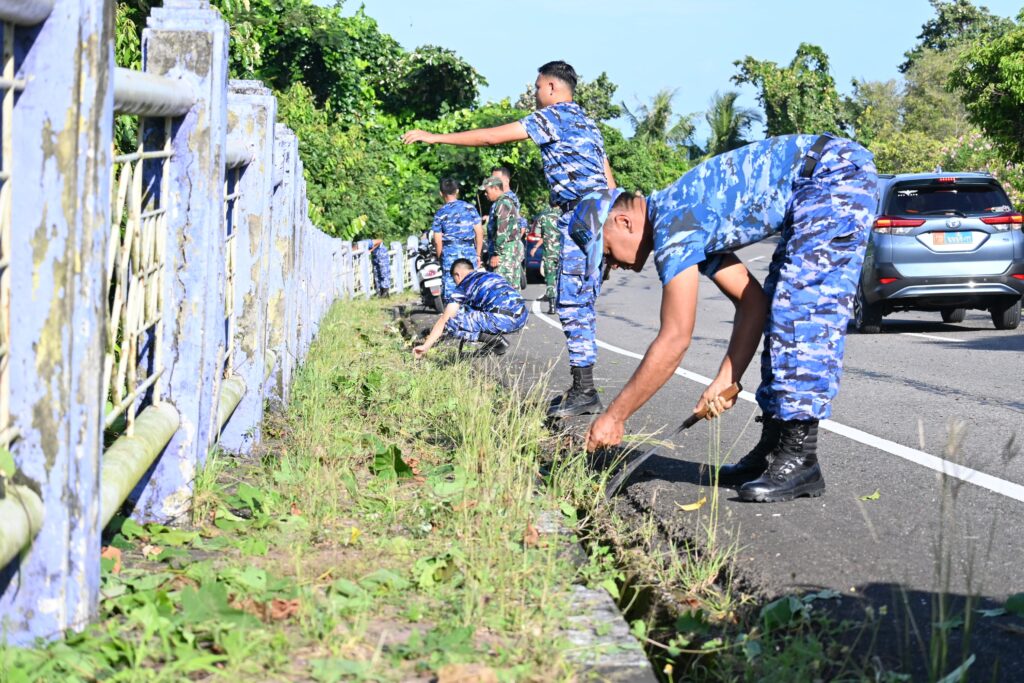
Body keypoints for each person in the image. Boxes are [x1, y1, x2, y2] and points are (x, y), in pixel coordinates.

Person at [573, 133, 878, 503]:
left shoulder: (672, 224)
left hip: (832, 174)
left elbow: (674, 339)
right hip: (818, 180)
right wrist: (725, 379)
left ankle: (799, 456)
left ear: (623, 222)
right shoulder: (683, 219)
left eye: (606, 253)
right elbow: (753, 304)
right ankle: (773, 448)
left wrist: (615, 417)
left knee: (802, 307)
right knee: (782, 299)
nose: (615, 266)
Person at [403, 60, 615, 418]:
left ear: (551, 88)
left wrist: (435, 136)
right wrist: (608, 233)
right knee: (581, 301)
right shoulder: (588, 124)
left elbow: (490, 137)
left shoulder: (552, 116)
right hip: (599, 214)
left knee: (570, 303)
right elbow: (608, 178)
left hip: (577, 215)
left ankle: (585, 390)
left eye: (536, 87)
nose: (534, 94)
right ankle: (583, 387)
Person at [413, 258, 529, 359]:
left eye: (454, 280)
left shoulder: (464, 285)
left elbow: (445, 320)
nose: (456, 284)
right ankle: (493, 342)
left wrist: (426, 346)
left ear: (457, 275)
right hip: (522, 316)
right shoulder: (492, 275)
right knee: (471, 311)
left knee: (451, 324)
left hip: (504, 320)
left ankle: (498, 342)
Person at [430, 178, 483, 303]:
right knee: (471, 286)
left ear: (441, 193)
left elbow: (437, 240)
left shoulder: (440, 213)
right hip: (469, 251)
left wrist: (440, 257)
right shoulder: (470, 208)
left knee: (451, 289)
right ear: (457, 191)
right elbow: (479, 232)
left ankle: (453, 318)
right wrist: (478, 254)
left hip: (449, 252)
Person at [481, 176, 525, 288]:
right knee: (511, 287)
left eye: (487, 191)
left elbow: (502, 231)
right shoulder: (503, 202)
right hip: (508, 251)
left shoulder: (503, 204)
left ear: (495, 188)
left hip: (505, 253)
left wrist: (497, 254)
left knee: (502, 287)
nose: (485, 194)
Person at [534, 205, 561, 313]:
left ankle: (552, 306)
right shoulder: (564, 216)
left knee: (550, 279)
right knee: (562, 279)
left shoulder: (543, 217)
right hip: (562, 253)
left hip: (549, 253)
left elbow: (536, 233)